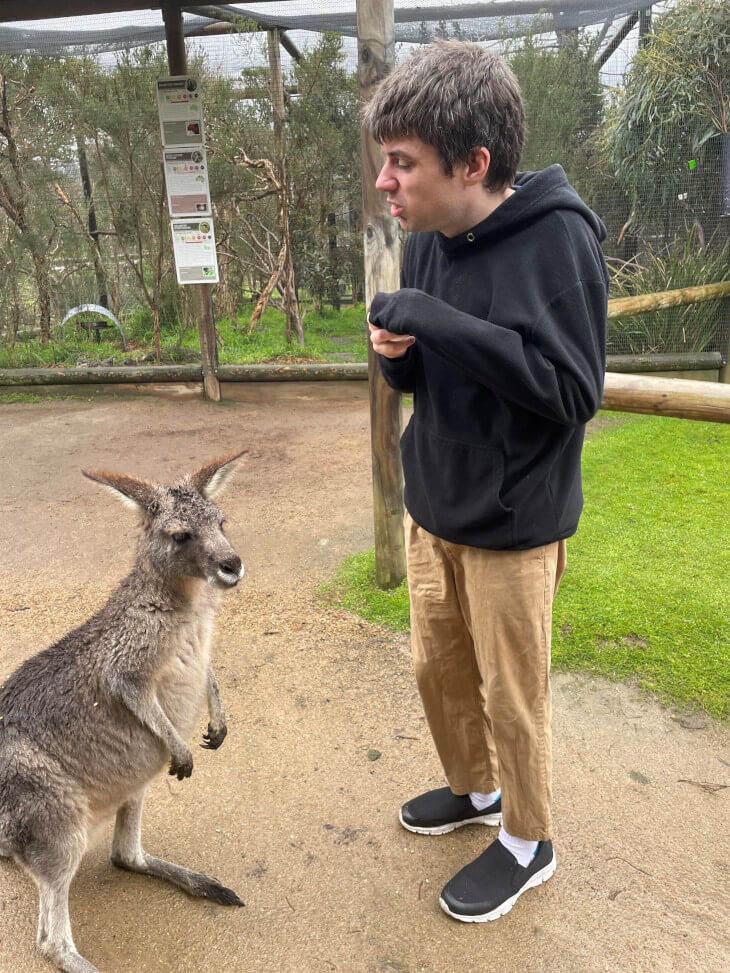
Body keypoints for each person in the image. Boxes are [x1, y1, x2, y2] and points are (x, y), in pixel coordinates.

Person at [363, 39, 608, 923]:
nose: (386, 182)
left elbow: (573, 392)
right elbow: (429, 378)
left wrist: (433, 318)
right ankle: (475, 792)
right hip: (438, 503)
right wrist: (399, 356)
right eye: (384, 161)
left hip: (515, 520)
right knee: (438, 669)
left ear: (472, 163)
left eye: (402, 162)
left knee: (514, 692)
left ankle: (528, 838)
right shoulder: (430, 237)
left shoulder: (558, 241)